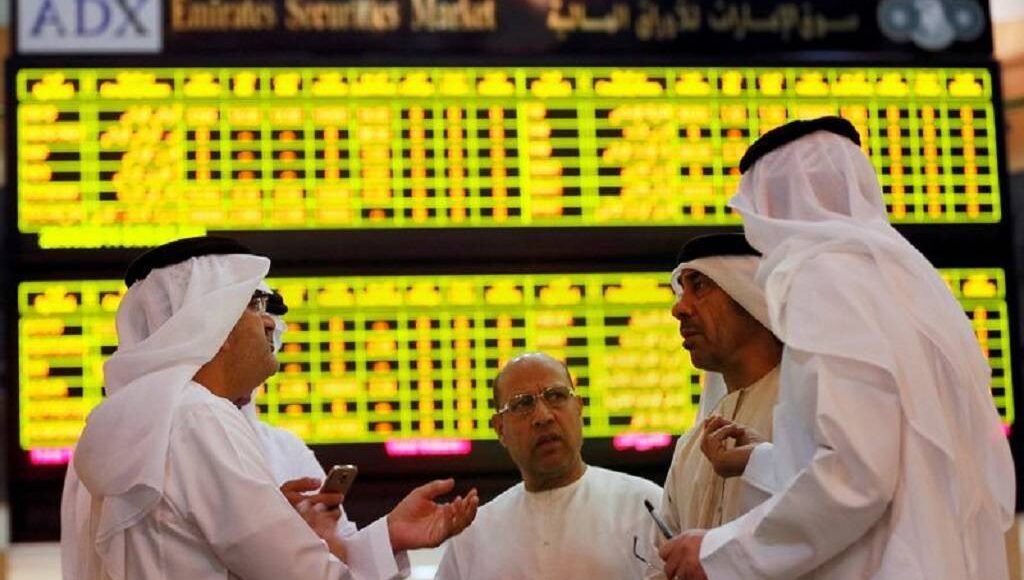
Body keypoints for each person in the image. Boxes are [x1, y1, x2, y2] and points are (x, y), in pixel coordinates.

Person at [661, 117, 1015, 580]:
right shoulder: (902, 278)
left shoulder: (823, 277)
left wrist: (717, 551)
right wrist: (763, 459)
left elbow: (856, 477)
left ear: (775, 201)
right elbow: (884, 451)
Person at [60, 236, 479, 580]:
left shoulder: (115, 428)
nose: (270, 323)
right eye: (255, 305)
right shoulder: (199, 417)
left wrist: (377, 537)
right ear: (214, 323)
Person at [434, 352, 662, 579]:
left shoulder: (646, 507)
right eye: (522, 403)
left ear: (579, 408)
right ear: (500, 428)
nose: (543, 417)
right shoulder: (473, 536)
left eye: (556, 396)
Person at [648, 234, 782, 578]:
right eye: (681, 290)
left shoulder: (807, 411)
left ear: (749, 294)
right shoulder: (690, 447)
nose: (679, 308)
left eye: (700, 286)